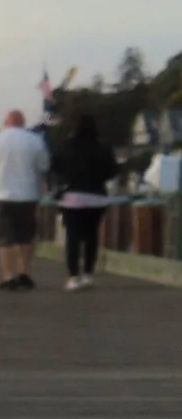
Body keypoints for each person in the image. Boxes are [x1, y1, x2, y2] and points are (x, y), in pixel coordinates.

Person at [0, 109, 49, 289]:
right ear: (22, 122)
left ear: (5, 122)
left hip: (1, 195)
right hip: (28, 195)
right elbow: (44, 165)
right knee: (25, 236)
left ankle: (8, 276)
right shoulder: (35, 141)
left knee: (3, 238)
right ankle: (23, 273)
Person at [55, 114, 116, 290]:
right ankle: (88, 274)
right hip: (96, 197)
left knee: (72, 238)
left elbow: (55, 166)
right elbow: (112, 171)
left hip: (72, 197)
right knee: (92, 236)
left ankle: (74, 277)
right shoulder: (103, 148)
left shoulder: (67, 146)